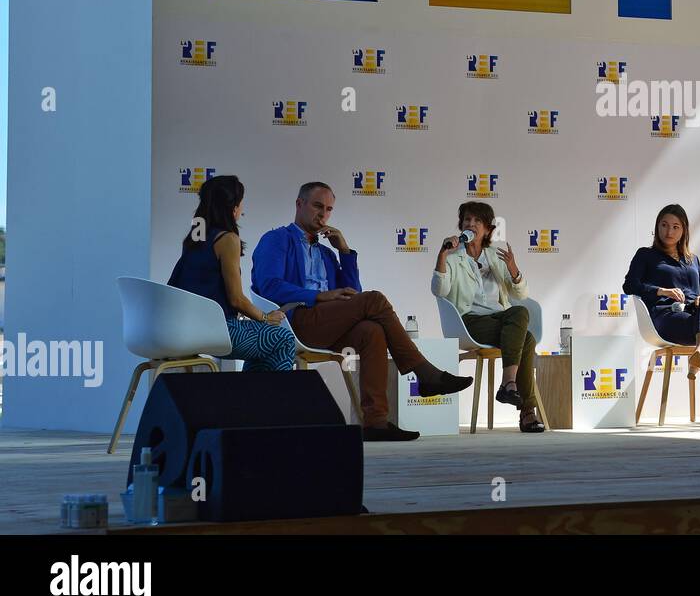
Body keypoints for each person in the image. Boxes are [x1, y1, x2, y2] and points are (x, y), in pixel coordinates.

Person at [252, 181, 472, 441]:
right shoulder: (277, 239)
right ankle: (425, 373)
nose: (323, 214)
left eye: (329, 209)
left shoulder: (326, 253)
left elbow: (353, 294)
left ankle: (376, 423)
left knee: (372, 330)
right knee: (374, 300)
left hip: (327, 323)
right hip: (294, 321)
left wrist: (344, 251)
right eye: (317, 206)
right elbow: (269, 285)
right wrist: (318, 295)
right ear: (299, 204)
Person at [432, 201, 544, 433]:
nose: (471, 224)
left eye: (477, 221)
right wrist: (442, 255)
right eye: (467, 220)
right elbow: (439, 291)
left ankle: (510, 387)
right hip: (469, 322)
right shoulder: (453, 258)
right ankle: (523, 406)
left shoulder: (495, 257)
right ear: (461, 225)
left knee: (522, 321)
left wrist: (513, 269)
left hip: (499, 319)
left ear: (487, 230)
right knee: (526, 336)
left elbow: (521, 295)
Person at [167, 175, 297, 372]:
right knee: (283, 338)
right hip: (216, 330)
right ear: (233, 207)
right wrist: (265, 317)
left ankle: (251, 392)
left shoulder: (194, 238)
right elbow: (236, 299)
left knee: (265, 341)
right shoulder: (227, 239)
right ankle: (268, 393)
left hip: (183, 326)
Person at [623, 204, 700, 426]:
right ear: (657, 227)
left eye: (675, 227)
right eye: (664, 225)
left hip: (696, 315)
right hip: (667, 318)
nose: (669, 231)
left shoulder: (693, 259)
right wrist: (661, 291)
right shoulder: (645, 255)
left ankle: (699, 352)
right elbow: (630, 285)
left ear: (684, 231)